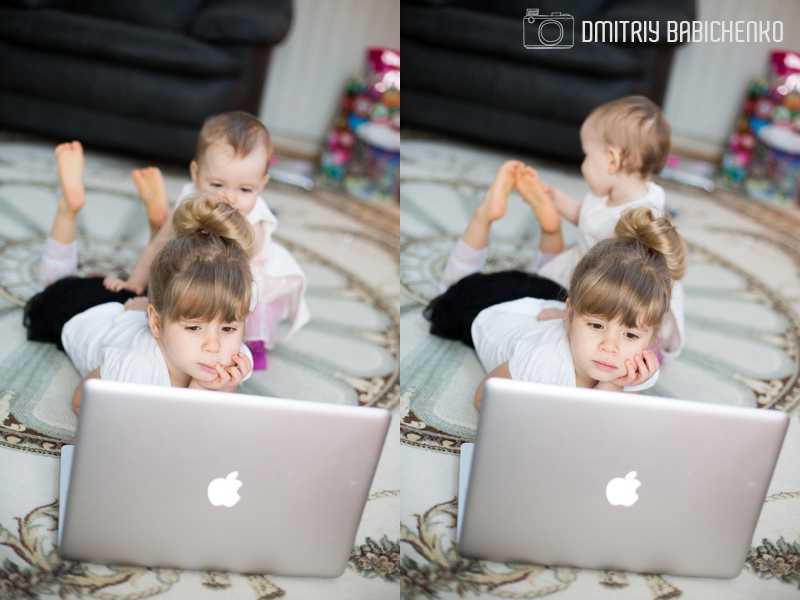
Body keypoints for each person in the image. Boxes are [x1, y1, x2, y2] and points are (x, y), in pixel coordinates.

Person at [431, 95, 684, 361]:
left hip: (614, 302)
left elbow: (620, 297)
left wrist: (567, 315)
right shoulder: (640, 194)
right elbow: (589, 219)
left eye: (587, 155)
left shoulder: (634, 225)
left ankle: (495, 219)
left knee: (509, 296)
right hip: (591, 278)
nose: (583, 163)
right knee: (541, 281)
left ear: (611, 159)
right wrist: (556, 198)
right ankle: (549, 229)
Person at [24, 141, 254, 414]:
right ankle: (68, 208)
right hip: (79, 308)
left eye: (228, 328)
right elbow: (80, 401)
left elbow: (202, 413)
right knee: (52, 284)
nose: (214, 346)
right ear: (155, 323)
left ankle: (160, 226)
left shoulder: (235, 359)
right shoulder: (137, 369)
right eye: (194, 328)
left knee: (170, 278)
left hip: (132, 304)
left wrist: (215, 388)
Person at [104, 111, 310, 370]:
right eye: (217, 185)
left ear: (262, 184)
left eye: (245, 189)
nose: (230, 199)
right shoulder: (190, 200)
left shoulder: (255, 216)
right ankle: (159, 308)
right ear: (196, 173)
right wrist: (134, 284)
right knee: (173, 278)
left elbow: (251, 248)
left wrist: (228, 224)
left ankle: (249, 347)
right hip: (196, 269)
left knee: (244, 313)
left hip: (240, 280)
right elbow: (158, 245)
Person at [473, 206, 687, 409]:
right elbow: (484, 398)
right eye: (596, 325)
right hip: (493, 314)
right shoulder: (543, 361)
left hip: (554, 311)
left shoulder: (637, 367)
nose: (609, 346)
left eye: (630, 335)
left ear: (651, 340)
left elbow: (601, 420)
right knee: (464, 286)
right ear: (568, 317)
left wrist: (614, 384)